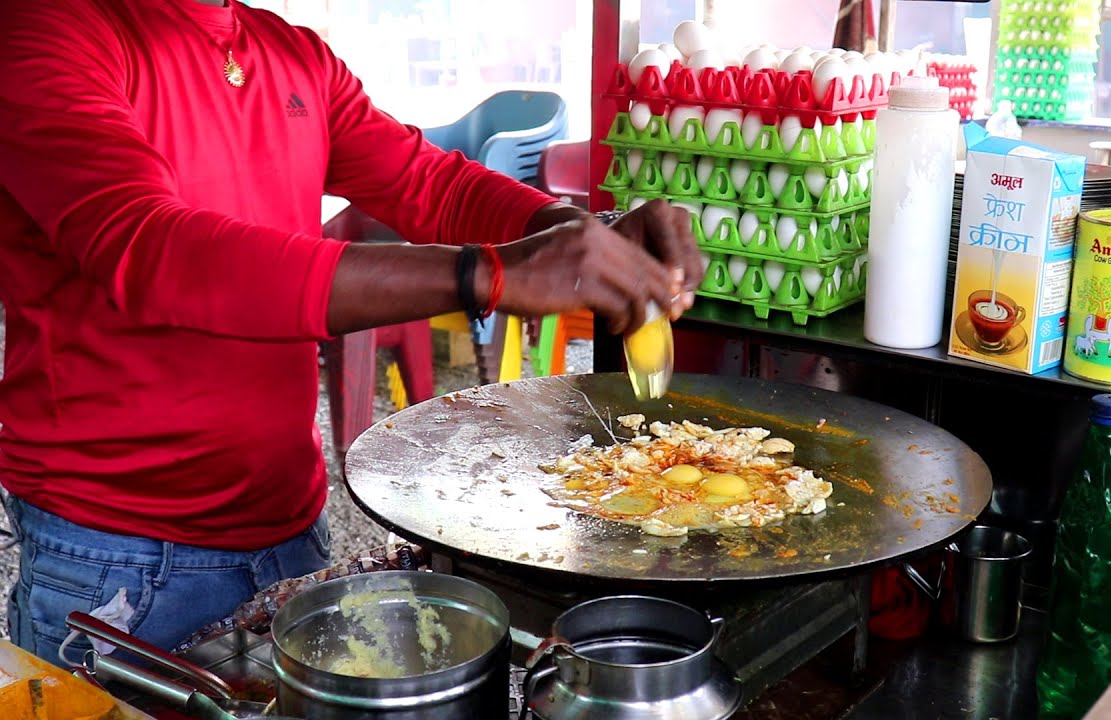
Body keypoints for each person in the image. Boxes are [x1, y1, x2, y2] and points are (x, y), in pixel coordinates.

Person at [0, 0, 702, 664]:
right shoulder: (48, 30)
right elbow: (153, 249)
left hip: (288, 521)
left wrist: (582, 233)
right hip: (114, 551)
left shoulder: (288, 50)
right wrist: (482, 274)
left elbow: (432, 185)